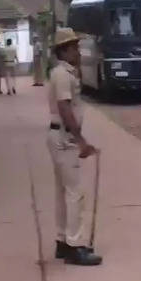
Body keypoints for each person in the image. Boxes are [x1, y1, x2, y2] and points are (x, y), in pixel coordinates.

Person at [48, 27, 103, 266]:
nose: (78, 51)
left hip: (59, 135)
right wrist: (80, 140)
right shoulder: (62, 74)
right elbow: (65, 107)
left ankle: (63, 240)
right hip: (64, 137)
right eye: (74, 48)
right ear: (65, 50)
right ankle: (74, 244)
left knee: (64, 192)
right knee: (74, 193)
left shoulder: (66, 73)